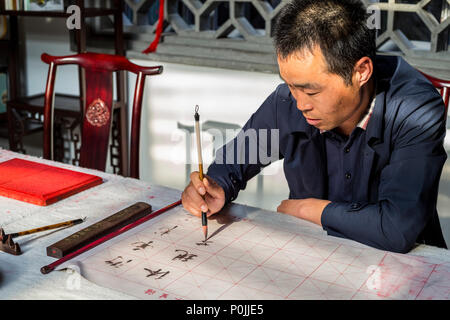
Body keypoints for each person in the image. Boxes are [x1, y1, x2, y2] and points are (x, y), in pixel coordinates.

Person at [181, 0, 448, 253]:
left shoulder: (414, 109)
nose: (299, 104)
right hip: (315, 253)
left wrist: (308, 210)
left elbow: (396, 228)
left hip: (405, 266)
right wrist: (214, 187)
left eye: (311, 91)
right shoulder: (287, 102)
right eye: (290, 85)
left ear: (361, 72)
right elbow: (234, 161)